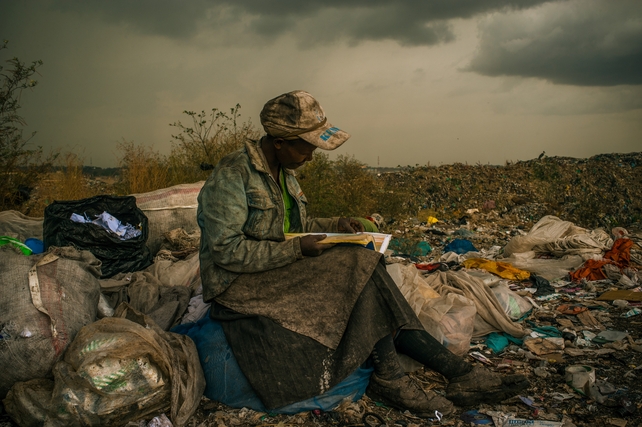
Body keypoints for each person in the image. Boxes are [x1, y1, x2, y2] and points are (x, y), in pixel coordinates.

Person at [197, 90, 529, 417]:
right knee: (359, 267)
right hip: (238, 284)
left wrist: (336, 225)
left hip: (274, 268)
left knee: (365, 263)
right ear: (280, 142)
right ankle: (424, 375)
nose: (311, 156)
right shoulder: (233, 175)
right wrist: (297, 248)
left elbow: (292, 225)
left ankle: (451, 374)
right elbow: (227, 251)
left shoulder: (285, 173)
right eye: (307, 147)